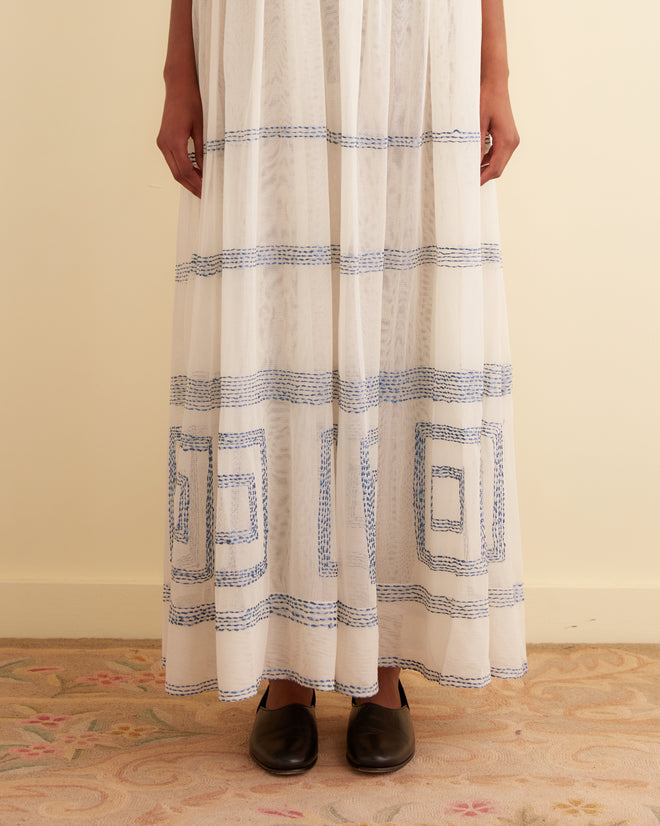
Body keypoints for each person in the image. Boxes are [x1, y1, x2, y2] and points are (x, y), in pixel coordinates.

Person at [157, 0, 526, 776]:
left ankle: (381, 663)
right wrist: (178, 70)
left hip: (412, 29)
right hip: (266, 28)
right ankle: (286, 670)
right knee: (276, 322)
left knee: (397, 313)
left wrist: (494, 68)